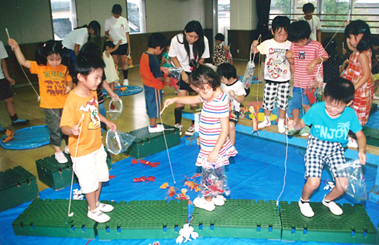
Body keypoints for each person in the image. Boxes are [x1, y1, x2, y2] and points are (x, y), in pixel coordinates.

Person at [287, 77, 366, 218]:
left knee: (343, 186)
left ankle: (328, 200)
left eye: (338, 106)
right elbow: (301, 123)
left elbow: (360, 136)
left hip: (336, 149)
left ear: (348, 103)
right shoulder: (317, 109)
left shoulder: (350, 115)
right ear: (325, 96)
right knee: (313, 182)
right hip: (316, 146)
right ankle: (304, 201)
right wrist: (294, 125)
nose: (332, 109)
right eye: (329, 103)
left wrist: (361, 151)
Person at [164, 61, 237, 211]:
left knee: (208, 175)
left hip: (213, 146)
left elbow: (225, 129)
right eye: (198, 91)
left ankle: (208, 201)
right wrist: (175, 99)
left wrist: (215, 150)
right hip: (210, 143)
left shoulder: (220, 101)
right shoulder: (208, 94)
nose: (200, 95)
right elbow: (194, 99)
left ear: (212, 84)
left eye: (202, 91)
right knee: (216, 172)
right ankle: (217, 196)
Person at [60, 51, 117, 223]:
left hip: (96, 145)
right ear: (81, 77)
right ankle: (92, 209)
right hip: (82, 150)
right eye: (96, 77)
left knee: (100, 176)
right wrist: (71, 130)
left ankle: (96, 203)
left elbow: (95, 113)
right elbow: (63, 127)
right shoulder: (72, 100)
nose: (99, 82)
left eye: (101, 77)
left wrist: (107, 121)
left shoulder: (92, 93)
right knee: (88, 181)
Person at [8, 38, 72, 163]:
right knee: (55, 128)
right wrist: (16, 48)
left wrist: (69, 87)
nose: (54, 62)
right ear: (45, 56)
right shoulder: (40, 67)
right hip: (50, 105)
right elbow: (23, 61)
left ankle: (69, 145)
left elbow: (69, 80)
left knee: (67, 126)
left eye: (58, 59)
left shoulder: (64, 68)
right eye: (51, 59)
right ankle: (58, 151)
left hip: (65, 104)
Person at [286, 20, 328, 137]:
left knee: (306, 105)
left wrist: (314, 62)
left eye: (301, 41)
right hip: (298, 82)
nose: (299, 44)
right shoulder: (293, 45)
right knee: (295, 104)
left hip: (311, 84)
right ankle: (295, 124)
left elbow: (325, 57)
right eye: (296, 41)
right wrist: (288, 57)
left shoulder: (316, 45)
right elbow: (293, 61)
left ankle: (307, 126)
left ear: (307, 35)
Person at [168, 20, 210, 136]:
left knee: (194, 98)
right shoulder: (176, 40)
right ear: (185, 31)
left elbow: (203, 58)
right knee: (181, 98)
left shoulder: (204, 40)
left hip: (195, 70)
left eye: (196, 37)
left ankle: (194, 124)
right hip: (180, 69)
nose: (192, 39)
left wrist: (196, 69)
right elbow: (173, 57)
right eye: (190, 36)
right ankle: (177, 124)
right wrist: (182, 72)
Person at [251, 16, 291, 134]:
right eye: (279, 34)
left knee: (283, 103)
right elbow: (254, 51)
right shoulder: (268, 43)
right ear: (272, 31)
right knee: (268, 101)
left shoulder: (290, 44)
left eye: (285, 34)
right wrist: (254, 45)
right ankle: (267, 120)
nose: (282, 37)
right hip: (270, 79)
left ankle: (281, 122)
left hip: (284, 79)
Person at [341, 20, 373, 147]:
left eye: (351, 37)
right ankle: (350, 136)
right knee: (348, 112)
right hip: (353, 88)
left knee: (356, 115)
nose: (348, 41)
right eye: (347, 37)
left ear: (361, 37)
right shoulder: (357, 51)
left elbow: (366, 75)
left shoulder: (362, 55)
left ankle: (353, 138)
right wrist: (348, 29)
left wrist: (352, 88)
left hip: (359, 90)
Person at [140, 33, 169, 133]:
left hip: (147, 84)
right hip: (154, 86)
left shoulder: (145, 54)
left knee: (150, 104)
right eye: (161, 50)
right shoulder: (153, 58)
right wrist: (166, 79)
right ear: (157, 48)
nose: (161, 52)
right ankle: (153, 126)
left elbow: (148, 67)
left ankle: (152, 125)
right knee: (155, 106)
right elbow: (157, 76)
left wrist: (160, 68)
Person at [0, 40, 29, 128]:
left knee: (9, 99)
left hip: (0, 77)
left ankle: (15, 119)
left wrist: (7, 76)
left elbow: (3, 61)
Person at [217, 63, 245, 146]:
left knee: (231, 126)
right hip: (224, 109)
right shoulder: (223, 84)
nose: (221, 80)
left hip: (234, 110)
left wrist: (234, 96)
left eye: (222, 78)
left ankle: (231, 146)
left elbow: (242, 100)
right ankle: (221, 142)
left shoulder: (238, 85)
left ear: (229, 76)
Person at [105, 4, 131, 86]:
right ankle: (115, 80)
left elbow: (127, 34)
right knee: (115, 62)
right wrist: (109, 37)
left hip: (123, 43)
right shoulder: (108, 21)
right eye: (116, 13)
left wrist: (128, 45)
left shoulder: (123, 20)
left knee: (124, 61)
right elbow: (106, 33)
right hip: (114, 43)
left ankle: (125, 79)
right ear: (113, 12)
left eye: (118, 13)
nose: (117, 15)